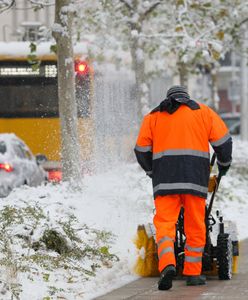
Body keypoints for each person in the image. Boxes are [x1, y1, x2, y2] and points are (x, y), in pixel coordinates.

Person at [134, 85, 232, 290]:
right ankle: (193, 274)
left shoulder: (153, 116)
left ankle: (168, 264)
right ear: (186, 98)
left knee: (165, 226)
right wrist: (223, 164)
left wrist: (152, 170)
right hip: (195, 179)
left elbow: (141, 149)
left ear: (168, 97)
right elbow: (223, 141)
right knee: (196, 225)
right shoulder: (203, 112)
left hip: (165, 181)